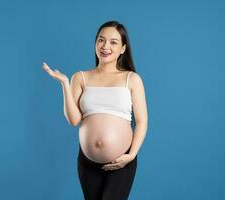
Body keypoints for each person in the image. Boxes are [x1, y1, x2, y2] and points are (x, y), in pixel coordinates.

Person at [42, 20, 148, 200]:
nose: (106, 46)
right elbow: (74, 120)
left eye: (113, 42)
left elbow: (142, 121)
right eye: (101, 40)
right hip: (87, 163)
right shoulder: (80, 77)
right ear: (95, 43)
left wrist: (131, 155)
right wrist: (65, 85)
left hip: (122, 162)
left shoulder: (132, 79)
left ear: (123, 48)